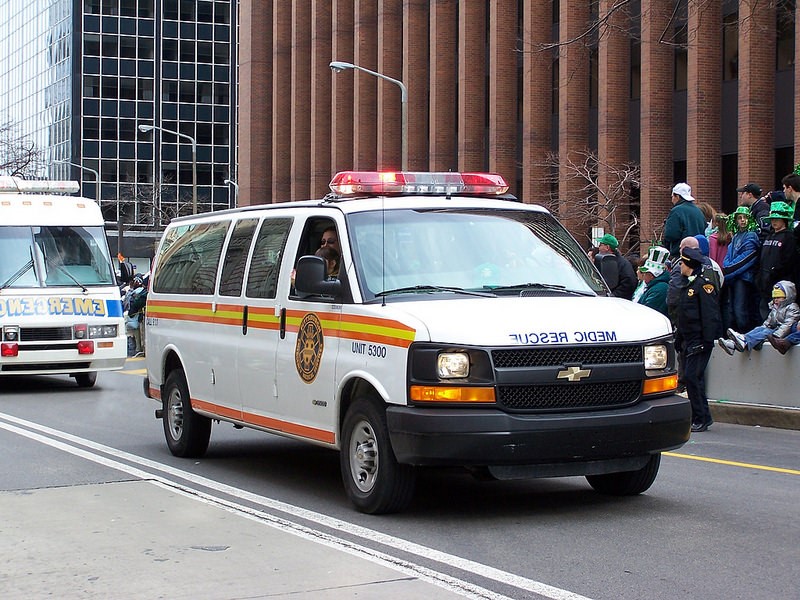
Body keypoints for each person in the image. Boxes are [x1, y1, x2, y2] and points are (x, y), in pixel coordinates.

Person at [674, 246, 723, 433]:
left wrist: (705, 341)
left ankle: (701, 417)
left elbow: (710, 316)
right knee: (693, 378)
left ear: (688, 264)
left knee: (692, 377)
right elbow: (684, 315)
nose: (680, 266)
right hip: (689, 339)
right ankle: (701, 416)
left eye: (682, 263)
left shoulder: (703, 286)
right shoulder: (688, 285)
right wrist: (679, 339)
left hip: (699, 340)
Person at [718, 281, 799, 355]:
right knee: (759, 329)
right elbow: (768, 323)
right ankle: (737, 342)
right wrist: (762, 328)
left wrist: (776, 335)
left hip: (781, 334)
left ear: (788, 296)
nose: (776, 300)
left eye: (779, 297)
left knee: (766, 332)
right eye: (774, 297)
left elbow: (788, 324)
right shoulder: (775, 308)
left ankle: (744, 341)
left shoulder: (792, 307)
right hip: (774, 331)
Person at [755, 201, 797, 320]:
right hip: (764, 283)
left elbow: (788, 261)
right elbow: (761, 258)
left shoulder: (789, 237)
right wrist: (758, 277)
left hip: (780, 284)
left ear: (784, 220)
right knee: (764, 313)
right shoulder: (768, 236)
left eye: (777, 219)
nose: (774, 221)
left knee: (779, 316)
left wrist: (774, 274)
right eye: (772, 219)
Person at [722, 207, 761, 332]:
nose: (743, 220)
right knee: (731, 309)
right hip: (733, 277)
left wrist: (727, 271)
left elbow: (746, 259)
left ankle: (744, 333)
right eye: (740, 218)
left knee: (740, 309)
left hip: (743, 278)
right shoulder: (736, 236)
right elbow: (728, 256)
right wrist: (727, 268)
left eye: (745, 217)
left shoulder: (751, 236)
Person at [663, 182, 707, 258]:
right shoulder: (698, 211)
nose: (672, 200)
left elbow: (670, 235)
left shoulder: (676, 211)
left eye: (672, 197)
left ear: (677, 196)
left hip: (681, 254)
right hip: (697, 254)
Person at [593, 233, 637, 300]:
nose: (599, 248)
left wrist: (614, 295)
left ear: (607, 247)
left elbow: (630, 282)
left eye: (600, 245)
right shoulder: (605, 261)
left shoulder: (622, 264)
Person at [635, 246, 670, 317]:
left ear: (652, 275)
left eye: (645, 273)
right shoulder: (650, 285)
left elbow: (647, 312)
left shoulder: (660, 289)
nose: (643, 275)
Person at [125, 274, 148, 357]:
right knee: (137, 334)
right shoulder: (141, 292)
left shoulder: (141, 293)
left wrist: (131, 313)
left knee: (138, 334)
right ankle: (138, 348)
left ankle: (139, 349)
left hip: (139, 317)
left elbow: (136, 304)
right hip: (138, 317)